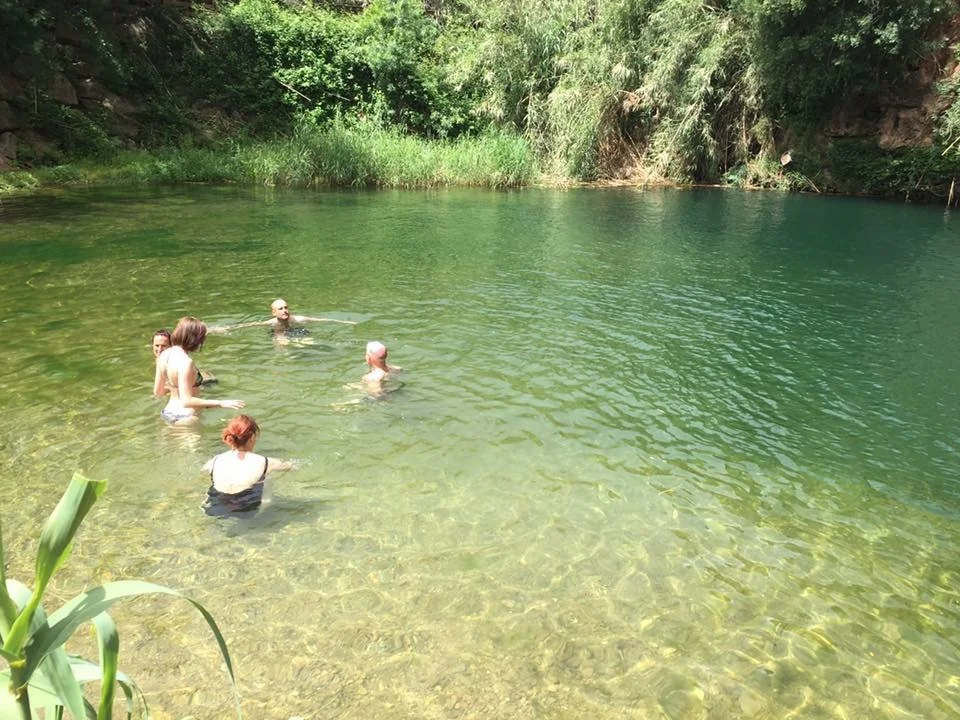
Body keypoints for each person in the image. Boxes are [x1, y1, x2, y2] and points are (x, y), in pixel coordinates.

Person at [153, 316, 243, 424]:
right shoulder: (186, 362)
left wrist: (175, 387)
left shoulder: (164, 355)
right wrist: (221, 403)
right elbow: (186, 401)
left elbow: (158, 392)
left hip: (167, 413)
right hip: (185, 416)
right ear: (194, 340)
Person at [201, 414, 293, 516]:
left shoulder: (214, 460)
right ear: (252, 437)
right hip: (247, 509)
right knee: (267, 477)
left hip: (215, 507)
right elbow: (291, 467)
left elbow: (203, 471)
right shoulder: (266, 462)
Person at [210, 298, 356, 340]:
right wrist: (221, 329)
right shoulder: (271, 322)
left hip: (294, 330)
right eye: (281, 309)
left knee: (307, 338)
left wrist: (345, 322)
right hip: (278, 333)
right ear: (274, 312)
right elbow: (248, 325)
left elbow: (320, 320)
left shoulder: (297, 319)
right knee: (281, 342)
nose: (285, 310)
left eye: (286, 307)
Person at [152, 328, 216, 385]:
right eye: (157, 345)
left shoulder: (175, 360)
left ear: (171, 346)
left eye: (164, 346)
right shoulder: (161, 359)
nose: (160, 349)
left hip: (204, 383)